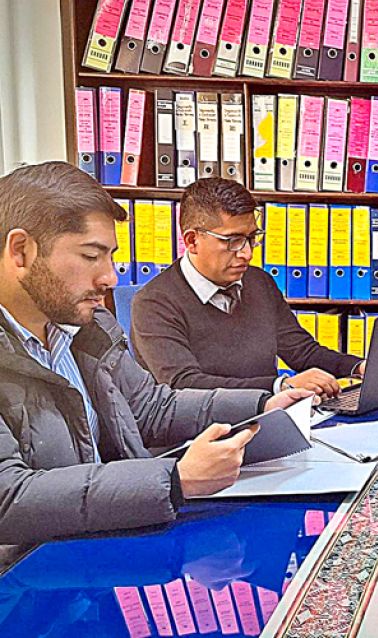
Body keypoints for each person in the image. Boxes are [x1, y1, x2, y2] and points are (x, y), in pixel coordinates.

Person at [0, 162, 308, 553]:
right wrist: (175, 480)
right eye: (91, 256)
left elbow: (151, 408)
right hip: (28, 574)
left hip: (106, 547)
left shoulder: (85, 325)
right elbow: (9, 496)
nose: (110, 278)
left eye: (110, 257)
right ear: (21, 251)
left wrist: (263, 405)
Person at [131, 178, 362, 397]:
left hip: (269, 415)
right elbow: (185, 384)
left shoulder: (259, 282)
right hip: (206, 424)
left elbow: (302, 351)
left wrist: (358, 367)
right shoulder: (153, 303)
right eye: (233, 241)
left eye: (252, 238)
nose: (247, 253)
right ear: (192, 241)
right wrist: (280, 386)